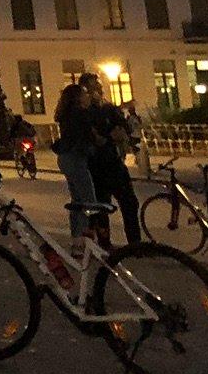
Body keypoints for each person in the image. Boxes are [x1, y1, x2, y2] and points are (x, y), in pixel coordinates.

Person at [51, 73, 103, 247]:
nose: (87, 96)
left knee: (77, 200)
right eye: (84, 94)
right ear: (77, 98)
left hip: (66, 157)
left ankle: (77, 240)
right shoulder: (80, 114)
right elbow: (92, 132)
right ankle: (90, 237)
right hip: (75, 158)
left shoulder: (66, 114)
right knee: (89, 201)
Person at [87, 87, 141, 245]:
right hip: (97, 165)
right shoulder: (85, 113)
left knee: (129, 203)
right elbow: (96, 138)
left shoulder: (107, 109)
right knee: (102, 206)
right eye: (92, 87)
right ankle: (105, 243)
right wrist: (109, 135)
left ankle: (135, 243)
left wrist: (120, 130)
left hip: (114, 162)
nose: (97, 92)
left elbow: (124, 127)